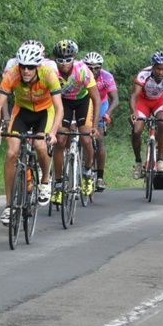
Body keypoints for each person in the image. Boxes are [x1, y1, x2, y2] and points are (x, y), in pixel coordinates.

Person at [0, 43, 62, 225]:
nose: (26, 71)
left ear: (38, 66)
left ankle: (45, 181)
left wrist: (53, 133)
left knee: (40, 144)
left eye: (30, 67)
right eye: (23, 66)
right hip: (21, 111)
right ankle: (8, 206)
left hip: (45, 112)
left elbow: (59, 108)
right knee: (11, 153)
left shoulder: (49, 74)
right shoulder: (12, 74)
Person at [49, 39, 102, 204]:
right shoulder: (51, 71)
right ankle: (57, 185)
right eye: (60, 60)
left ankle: (87, 173)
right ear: (55, 60)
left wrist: (94, 126)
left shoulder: (82, 71)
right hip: (62, 102)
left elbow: (96, 98)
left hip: (82, 101)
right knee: (60, 140)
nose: (64, 64)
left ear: (73, 59)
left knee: (86, 138)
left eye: (68, 60)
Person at [129, 51, 163, 179]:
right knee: (137, 130)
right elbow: (134, 96)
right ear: (153, 67)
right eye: (158, 69)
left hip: (160, 101)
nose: (161, 72)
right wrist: (133, 112)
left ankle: (160, 160)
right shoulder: (143, 74)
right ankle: (138, 162)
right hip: (143, 102)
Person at [83, 51, 119, 192]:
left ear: (101, 67)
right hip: (84, 104)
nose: (93, 71)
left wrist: (107, 114)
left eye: (96, 68)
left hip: (101, 105)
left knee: (99, 139)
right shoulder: (81, 75)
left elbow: (115, 99)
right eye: (89, 68)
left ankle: (100, 177)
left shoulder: (106, 77)